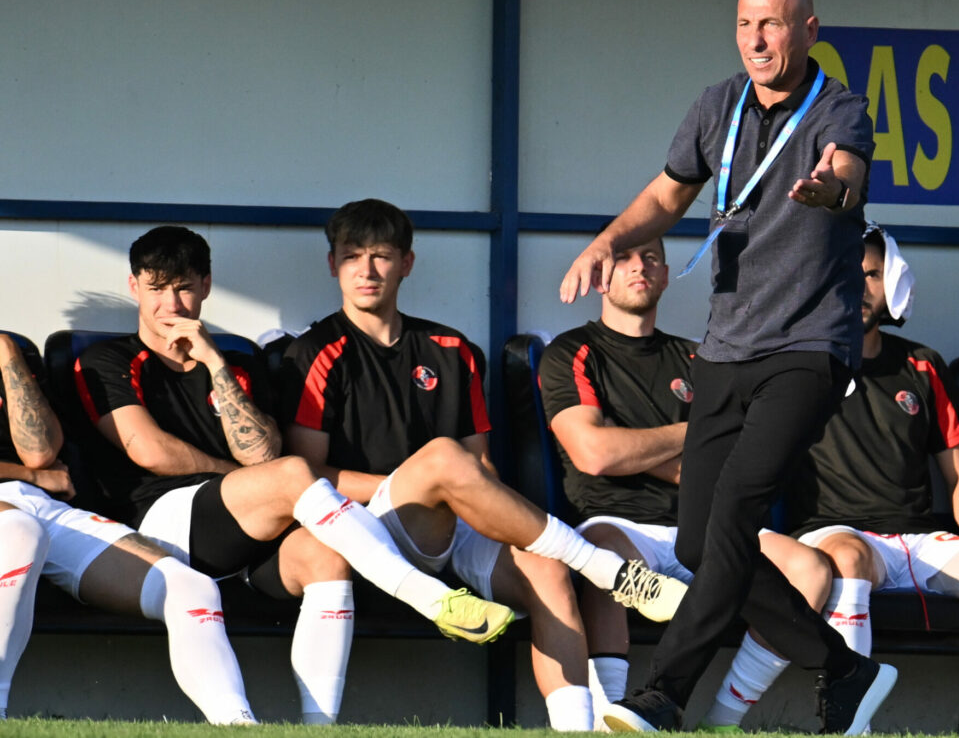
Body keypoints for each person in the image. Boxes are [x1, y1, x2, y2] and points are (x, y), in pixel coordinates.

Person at [561, 0, 896, 735]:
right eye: (746, 23)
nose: (756, 38)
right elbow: (667, 195)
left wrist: (830, 189)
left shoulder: (839, 107)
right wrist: (607, 241)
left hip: (809, 347)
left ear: (808, 30)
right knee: (699, 540)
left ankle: (664, 694)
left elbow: (848, 177)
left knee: (737, 512)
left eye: (772, 24)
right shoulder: (718, 105)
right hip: (726, 348)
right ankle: (845, 668)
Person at [279, 199, 688, 731]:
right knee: (442, 459)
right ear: (333, 264)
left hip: (453, 522)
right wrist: (422, 484)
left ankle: (576, 727)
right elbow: (307, 476)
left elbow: (482, 467)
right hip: (363, 524)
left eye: (381, 255)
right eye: (353, 256)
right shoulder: (316, 351)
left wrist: (473, 503)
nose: (367, 269)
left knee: (546, 570)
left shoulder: (452, 349)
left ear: (407, 263)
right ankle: (604, 568)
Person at [77, 225, 511, 725]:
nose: (171, 304)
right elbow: (150, 451)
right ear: (134, 287)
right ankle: (426, 595)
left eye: (184, 287)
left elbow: (262, 452)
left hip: (249, 533)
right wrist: (244, 476)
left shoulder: (235, 361)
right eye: (156, 288)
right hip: (160, 529)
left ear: (206, 286)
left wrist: (214, 363)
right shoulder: (108, 359)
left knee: (325, 555)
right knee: (292, 474)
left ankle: (318, 727)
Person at [700, 225, 959, 736]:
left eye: (872, 275)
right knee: (849, 557)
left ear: (893, 281)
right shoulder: (793, 369)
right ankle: (854, 729)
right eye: (844, 273)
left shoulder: (922, 364)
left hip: (921, 541)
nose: (858, 286)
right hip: (835, 536)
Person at [539, 235, 833, 725]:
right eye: (624, 258)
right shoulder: (572, 351)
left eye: (651, 258)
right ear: (600, 275)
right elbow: (593, 454)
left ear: (666, 274)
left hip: (704, 521)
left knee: (810, 567)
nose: (639, 267)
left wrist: (627, 446)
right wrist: (698, 435)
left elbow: (740, 458)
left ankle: (723, 720)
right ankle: (611, 715)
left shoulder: (702, 359)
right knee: (605, 559)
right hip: (617, 523)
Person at [0, 332, 255, 723]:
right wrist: (30, 475)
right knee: (20, 532)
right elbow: (35, 468)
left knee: (189, 587)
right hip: (21, 509)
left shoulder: (11, 354)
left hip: (40, 503)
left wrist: (7, 355)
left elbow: (40, 451)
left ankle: (238, 724)